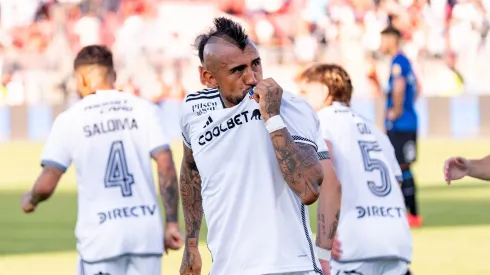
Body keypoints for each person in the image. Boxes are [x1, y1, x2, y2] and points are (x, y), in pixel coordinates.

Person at [179, 17, 333, 275]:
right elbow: (191, 169)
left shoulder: (289, 107)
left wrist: (272, 118)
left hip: (290, 268)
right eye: (238, 70)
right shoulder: (192, 110)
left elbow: (308, 189)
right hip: (228, 269)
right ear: (209, 77)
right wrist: (192, 243)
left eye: (256, 64)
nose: (252, 77)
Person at [21, 45, 183, 275]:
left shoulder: (70, 119)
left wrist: (31, 198)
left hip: (100, 238)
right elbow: (165, 164)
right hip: (145, 234)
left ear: (81, 80)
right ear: (113, 76)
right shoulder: (143, 109)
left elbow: (47, 183)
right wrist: (172, 223)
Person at [297, 63, 413, 275]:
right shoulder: (374, 129)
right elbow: (396, 184)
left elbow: (329, 178)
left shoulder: (321, 121)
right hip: (396, 241)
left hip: (354, 246)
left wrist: (322, 248)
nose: (300, 97)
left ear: (323, 92)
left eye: (304, 91)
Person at [379, 25, 422, 228]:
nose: (381, 44)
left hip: (401, 124)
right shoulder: (404, 61)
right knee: (402, 166)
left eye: (384, 39)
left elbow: (399, 88)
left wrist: (396, 111)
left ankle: (410, 214)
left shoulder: (398, 62)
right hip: (407, 122)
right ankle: (409, 214)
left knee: (401, 166)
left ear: (392, 39)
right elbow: (418, 88)